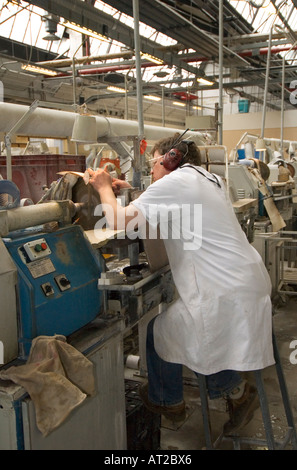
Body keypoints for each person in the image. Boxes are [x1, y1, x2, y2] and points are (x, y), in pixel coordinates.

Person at [86, 133, 275, 435]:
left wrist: (104, 187)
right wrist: (134, 191)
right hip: (246, 282)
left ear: (170, 158)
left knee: (160, 331)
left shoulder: (175, 182)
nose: (152, 171)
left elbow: (118, 221)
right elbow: (167, 203)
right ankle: (232, 393)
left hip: (223, 292)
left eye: (154, 164)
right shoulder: (207, 179)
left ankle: (173, 401)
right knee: (199, 335)